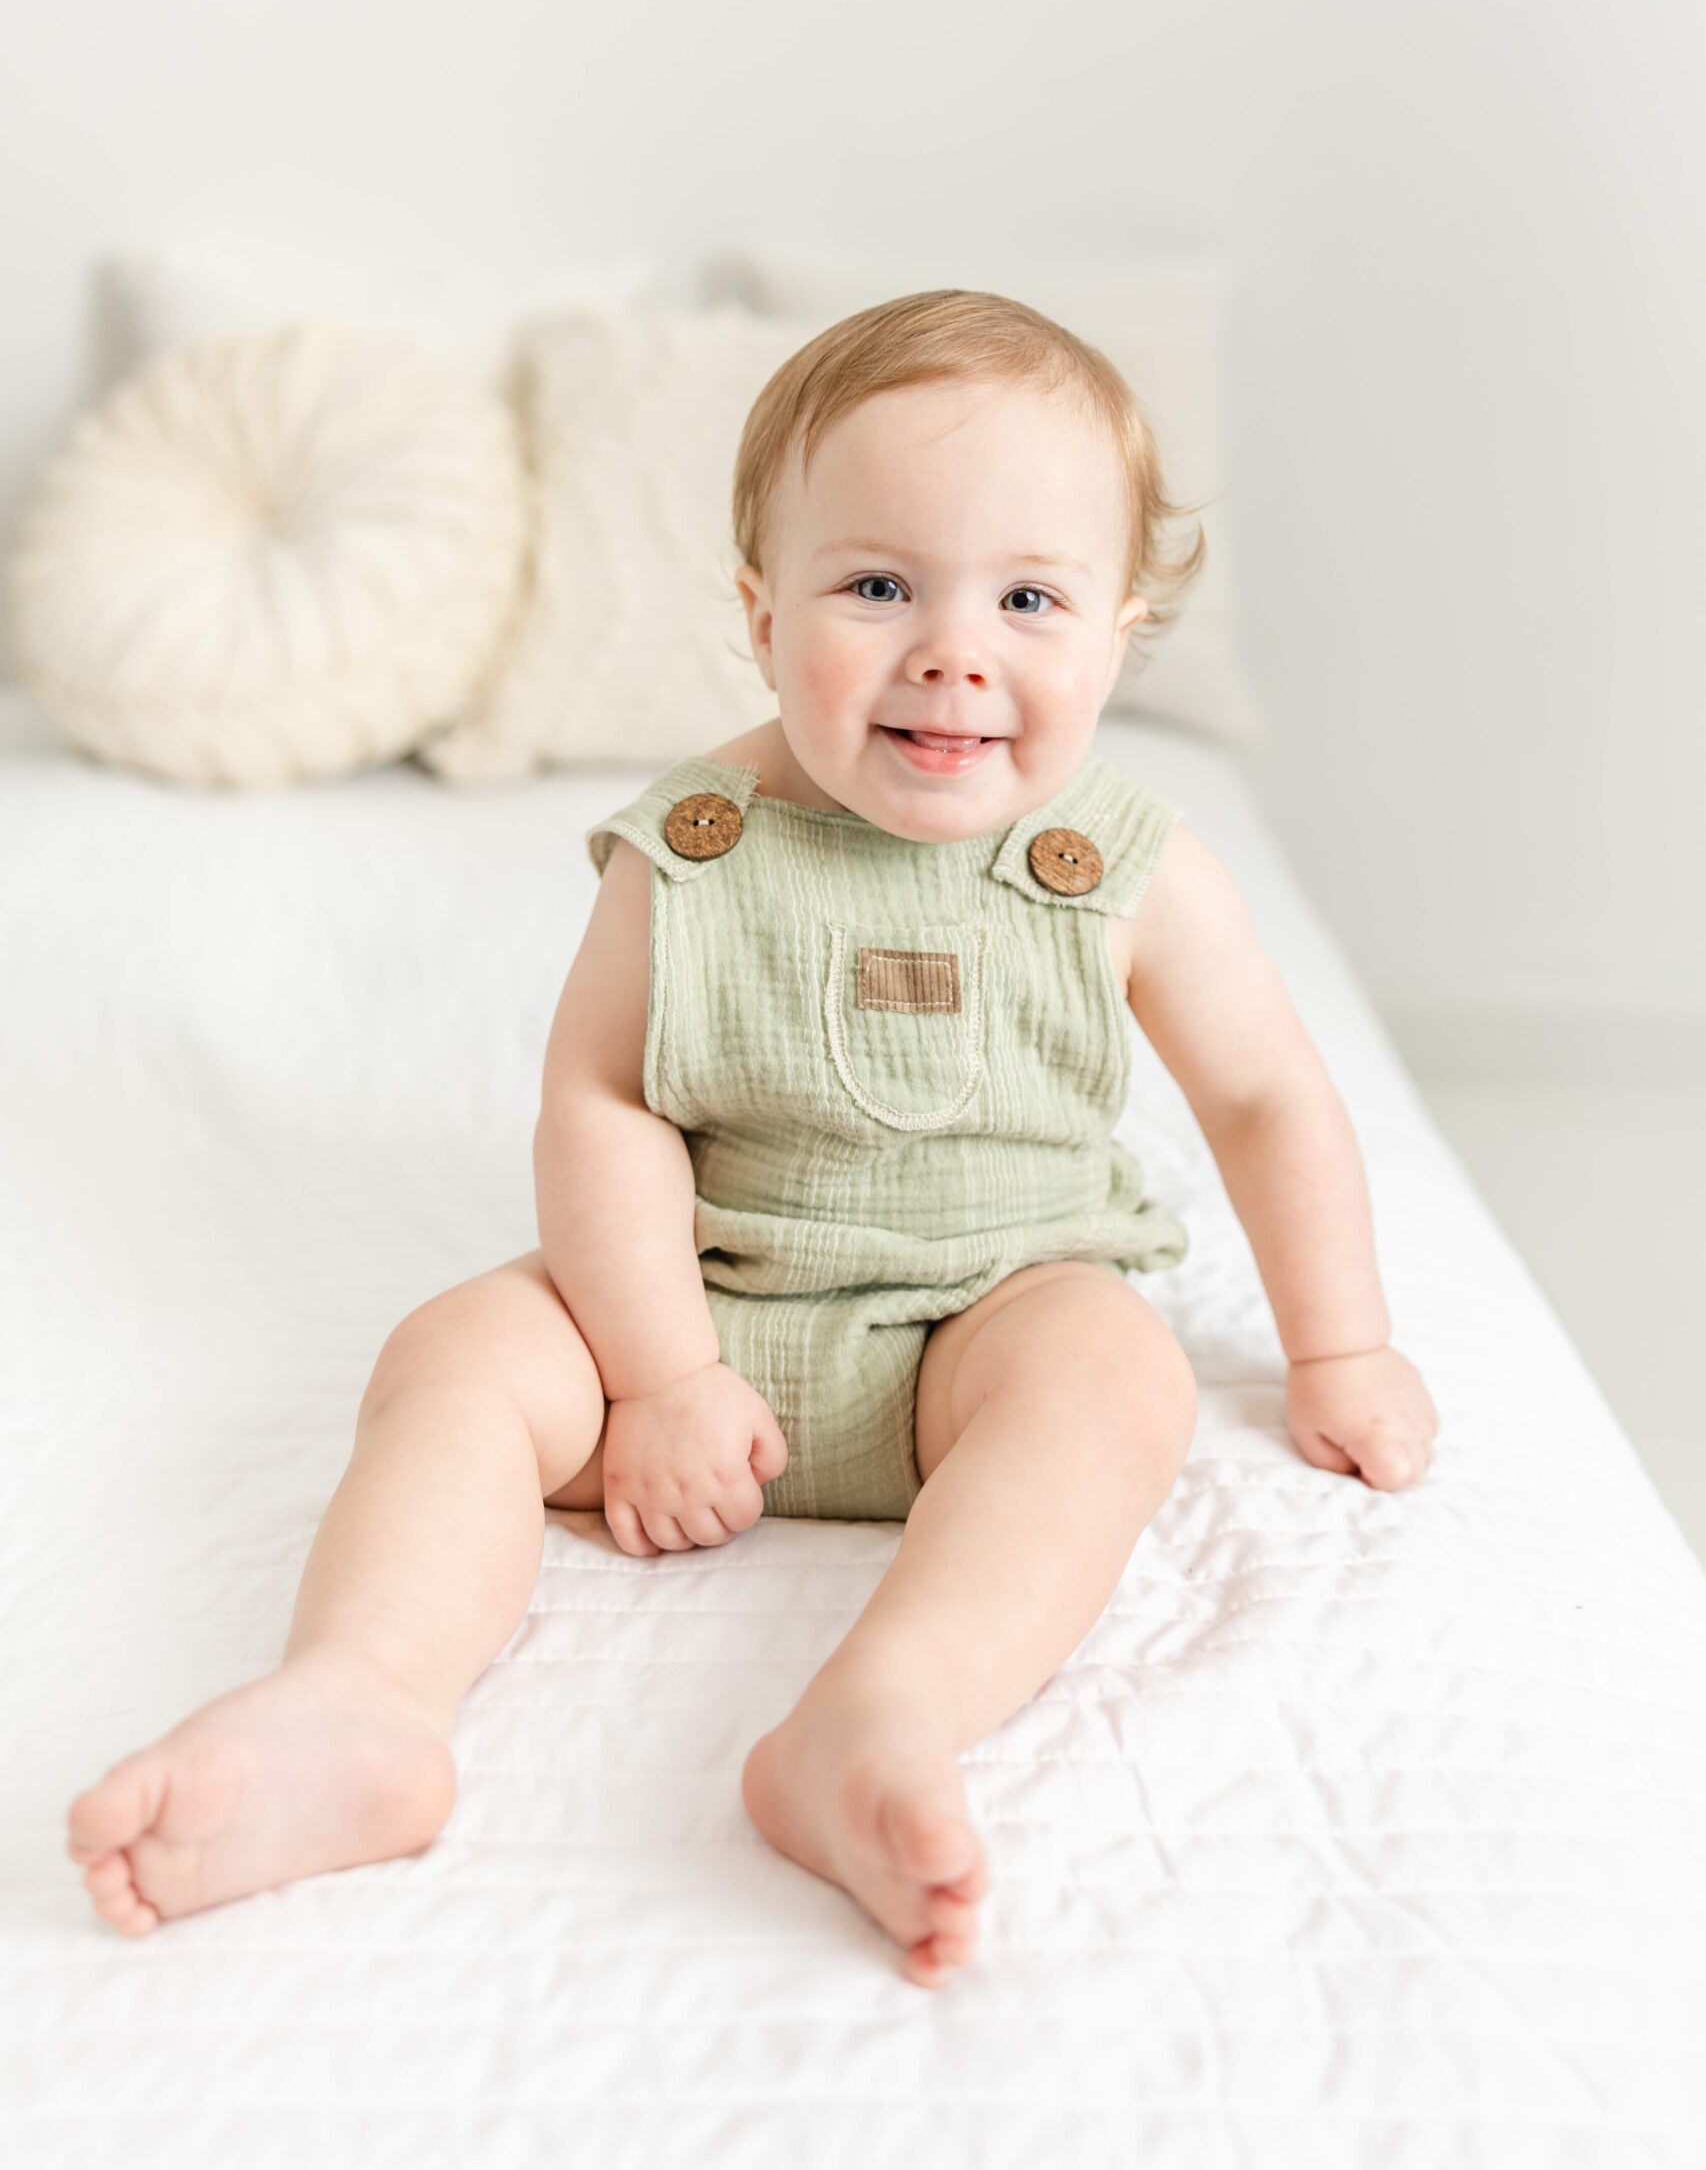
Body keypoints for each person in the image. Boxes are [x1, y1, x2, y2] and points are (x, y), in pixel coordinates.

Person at [67, 290, 1438, 1986]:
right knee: (461, 1354)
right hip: (705, 1293)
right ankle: (364, 1705)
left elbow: (1263, 1098)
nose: (953, 649)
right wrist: (648, 1377)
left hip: (983, 1315)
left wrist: (1340, 1342)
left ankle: (876, 1722)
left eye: (1027, 598)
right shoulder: (693, 848)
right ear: (758, 610)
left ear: (1119, 629)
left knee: (1115, 1378)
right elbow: (605, 1101)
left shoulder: (1132, 864)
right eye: (878, 586)